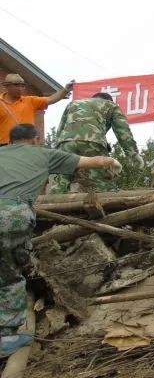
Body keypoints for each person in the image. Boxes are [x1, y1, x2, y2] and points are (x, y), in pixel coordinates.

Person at [0, 124, 122, 358]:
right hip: (11, 216)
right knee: (9, 274)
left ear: (11, 140)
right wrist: (111, 162)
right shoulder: (44, 154)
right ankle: (8, 337)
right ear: (36, 139)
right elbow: (92, 161)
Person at [49, 92, 142, 194]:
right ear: (108, 100)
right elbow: (123, 132)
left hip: (65, 143)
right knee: (102, 182)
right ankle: (110, 207)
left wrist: (57, 152)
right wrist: (133, 155)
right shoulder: (111, 105)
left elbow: (60, 130)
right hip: (93, 143)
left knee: (61, 180)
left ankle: (49, 203)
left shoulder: (73, 103)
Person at [0, 73, 74, 146]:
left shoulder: (30, 101)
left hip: (27, 144)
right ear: (6, 86)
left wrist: (66, 90)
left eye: (22, 86)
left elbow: (51, 99)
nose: (20, 88)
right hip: (4, 145)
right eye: (16, 85)